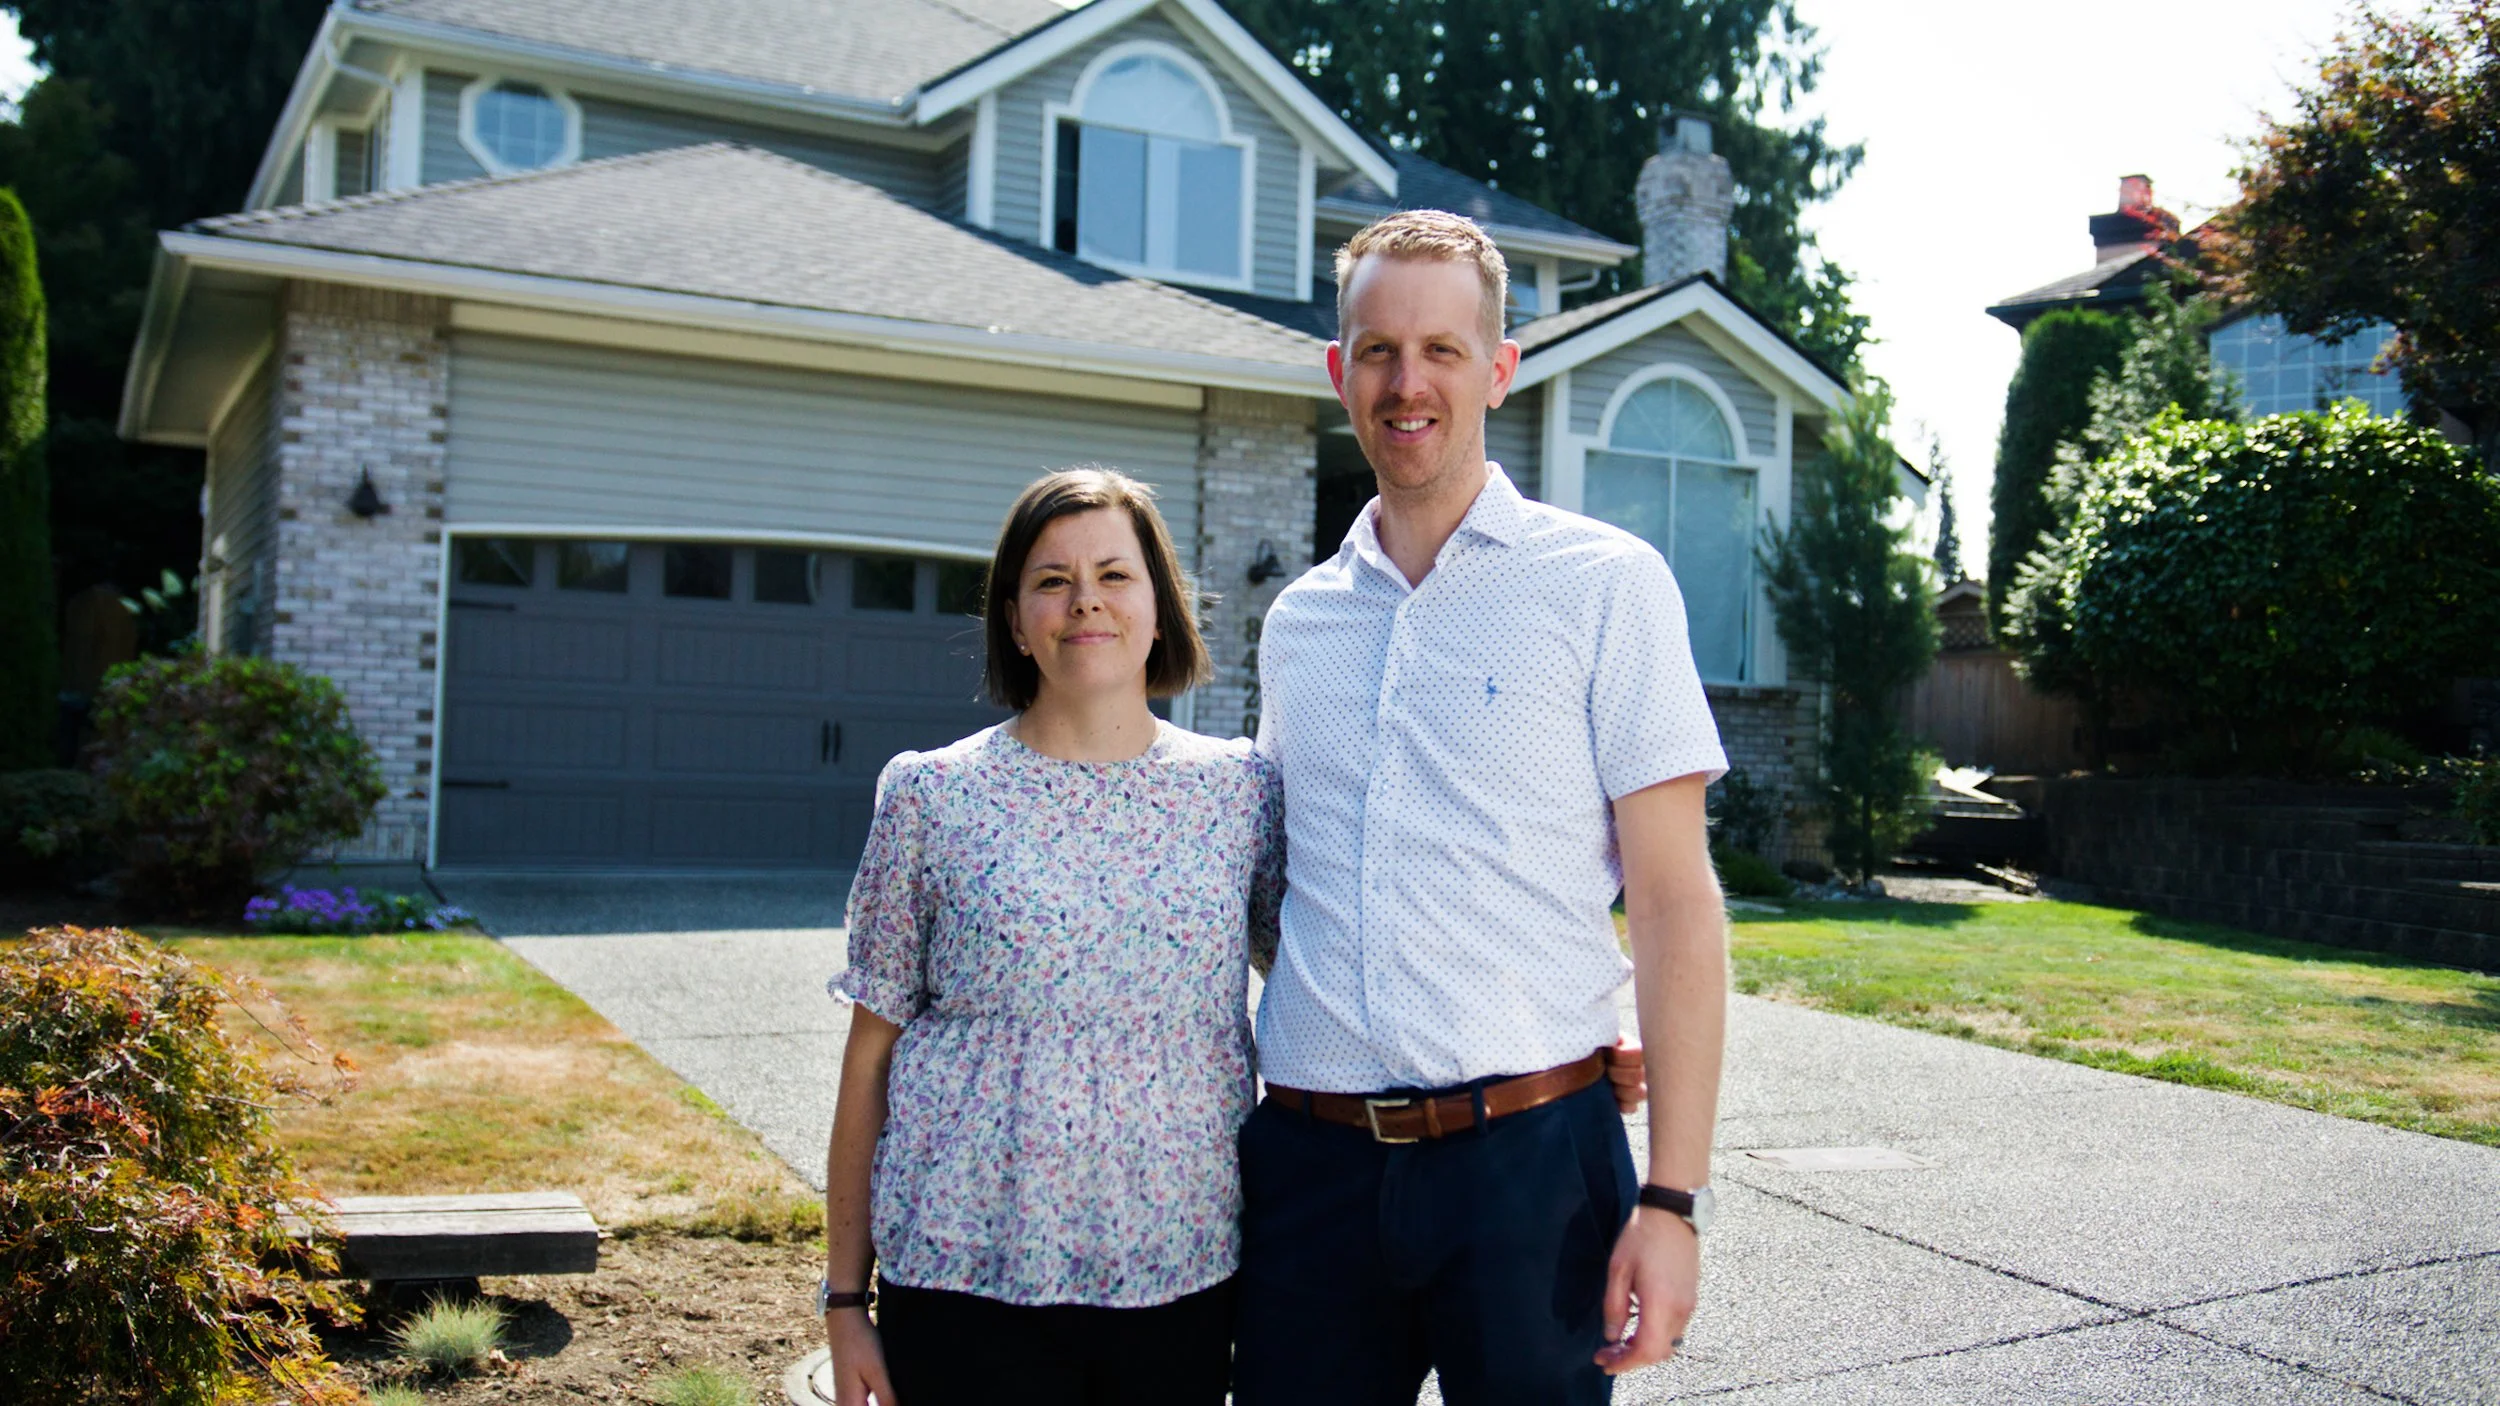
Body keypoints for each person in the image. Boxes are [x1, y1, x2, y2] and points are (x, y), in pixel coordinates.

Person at [1234, 210, 1731, 1405]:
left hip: (1532, 1168)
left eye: (1443, 350)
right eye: (1377, 350)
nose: (1408, 383)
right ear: (1337, 368)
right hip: (1311, 1164)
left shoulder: (1605, 586)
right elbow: (1281, 887)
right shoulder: (1297, 621)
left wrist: (1671, 1199)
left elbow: (1672, 899)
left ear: (1498, 369)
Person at [816, 468, 1277, 1406]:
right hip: (960, 1281)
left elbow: (1335, 980)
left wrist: (1579, 1026)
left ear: (1161, 609)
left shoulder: (1240, 794)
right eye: (1051, 581)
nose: (1085, 603)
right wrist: (842, 1300)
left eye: (1115, 575)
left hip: (1182, 1276)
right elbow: (868, 1061)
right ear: (1016, 619)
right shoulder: (931, 796)